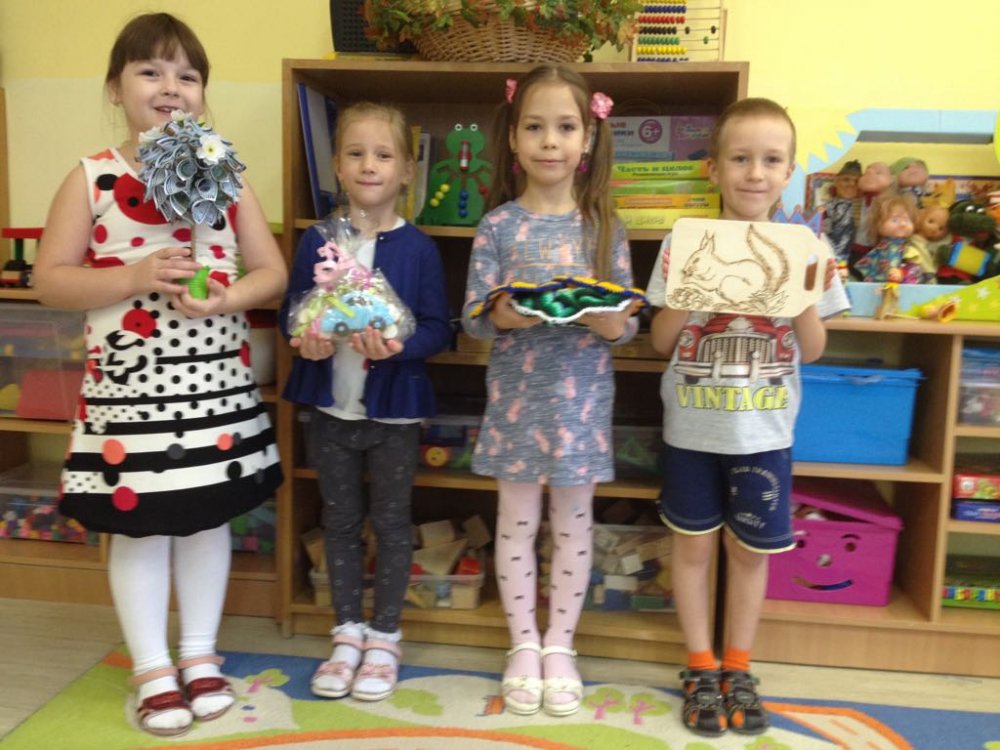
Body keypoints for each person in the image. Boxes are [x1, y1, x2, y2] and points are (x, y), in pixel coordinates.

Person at [31, 13, 286, 738]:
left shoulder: (227, 174)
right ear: (116, 87)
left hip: (215, 389)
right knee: (140, 530)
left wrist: (229, 297)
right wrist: (134, 275)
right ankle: (151, 667)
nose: (171, 86)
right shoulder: (93, 178)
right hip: (131, 397)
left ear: (202, 93)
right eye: (151, 70)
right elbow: (50, 279)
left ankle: (199, 655)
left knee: (208, 518)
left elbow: (271, 272)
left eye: (188, 75)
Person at [645, 98, 849, 737]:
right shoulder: (683, 243)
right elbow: (660, 342)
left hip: (765, 431)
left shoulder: (809, 247)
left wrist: (800, 294)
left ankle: (738, 666)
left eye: (770, 160)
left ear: (788, 171)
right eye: (739, 158)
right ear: (713, 168)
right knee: (693, 546)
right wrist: (689, 291)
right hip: (692, 428)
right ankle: (700, 665)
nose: (754, 173)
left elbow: (813, 349)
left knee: (752, 551)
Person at [461, 65, 639, 718]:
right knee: (515, 525)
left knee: (572, 526)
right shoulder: (498, 227)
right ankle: (523, 644)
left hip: (580, 408)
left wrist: (611, 320)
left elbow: (626, 322)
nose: (549, 141)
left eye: (565, 127)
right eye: (534, 126)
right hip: (515, 404)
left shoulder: (604, 226)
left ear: (587, 138)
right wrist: (504, 314)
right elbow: (474, 316)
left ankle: (560, 645)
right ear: (513, 138)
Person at [279, 102, 452, 702]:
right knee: (340, 521)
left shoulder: (418, 249)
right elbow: (293, 311)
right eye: (356, 153)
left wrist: (400, 346)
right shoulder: (317, 239)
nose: (369, 165)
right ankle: (347, 631)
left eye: (383, 155)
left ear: (406, 171)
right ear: (337, 165)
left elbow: (439, 329)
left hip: (395, 412)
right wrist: (304, 339)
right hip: (330, 410)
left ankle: (385, 636)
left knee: (393, 523)